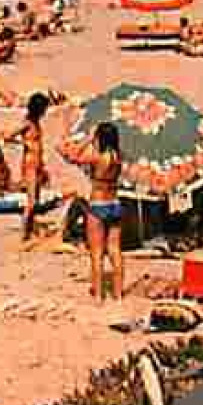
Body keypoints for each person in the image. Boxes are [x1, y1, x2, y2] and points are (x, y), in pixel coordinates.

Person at [73, 121, 124, 302]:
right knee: (115, 250)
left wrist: (89, 139)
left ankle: (99, 295)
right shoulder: (118, 157)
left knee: (96, 252)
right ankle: (118, 294)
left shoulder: (97, 157)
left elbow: (74, 155)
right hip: (115, 203)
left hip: (98, 204)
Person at [2, 92, 50, 241]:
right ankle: (24, 234)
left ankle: (31, 229)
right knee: (31, 201)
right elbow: (7, 136)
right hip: (29, 163)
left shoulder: (35, 122)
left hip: (36, 162)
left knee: (35, 197)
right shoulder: (27, 123)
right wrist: (24, 144)